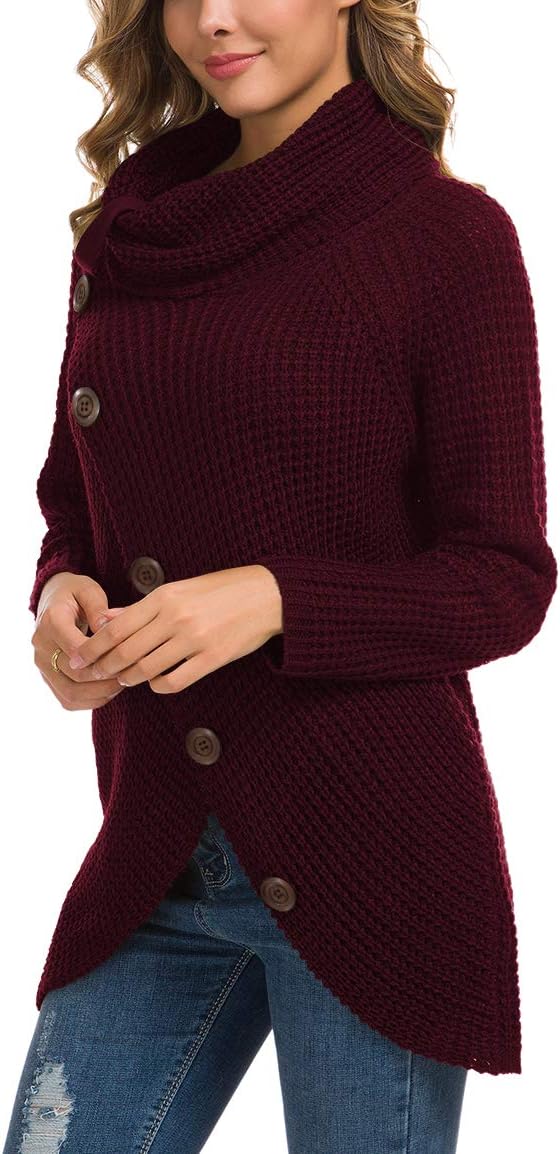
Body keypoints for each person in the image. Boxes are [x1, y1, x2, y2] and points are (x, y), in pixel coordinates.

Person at [3, 1, 557, 1152]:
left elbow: (502, 576)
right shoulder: (131, 229)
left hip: (376, 864)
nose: (213, 19)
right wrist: (61, 596)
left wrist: (273, 599)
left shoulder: (444, 236)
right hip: (155, 854)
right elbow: (73, 502)